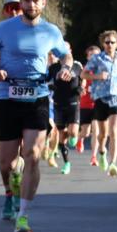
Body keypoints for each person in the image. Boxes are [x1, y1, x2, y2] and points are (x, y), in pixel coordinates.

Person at [0, 0, 73, 232]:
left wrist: (66, 67)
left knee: (32, 154)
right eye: (27, 1)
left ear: (44, 3)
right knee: (7, 162)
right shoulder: (5, 28)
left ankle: (23, 216)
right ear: (22, 3)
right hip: (6, 97)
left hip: (37, 97)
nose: (31, 5)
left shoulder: (50, 31)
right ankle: (9, 191)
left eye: (36, 1)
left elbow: (65, 54)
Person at [0, 0, 25, 220]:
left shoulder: (35, 35)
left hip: (30, 102)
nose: (13, 12)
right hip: (2, 100)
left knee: (26, 151)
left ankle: (20, 189)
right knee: (5, 162)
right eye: (9, 8)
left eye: (17, 8)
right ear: (4, 11)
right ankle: (9, 193)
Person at [82, 30, 117, 176]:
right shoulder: (97, 59)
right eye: (107, 42)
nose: (109, 45)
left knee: (114, 131)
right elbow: (83, 74)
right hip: (101, 98)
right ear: (103, 44)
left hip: (116, 98)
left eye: (112, 42)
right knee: (103, 134)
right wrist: (97, 76)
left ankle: (113, 163)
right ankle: (102, 152)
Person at [48, 43, 83, 175]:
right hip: (58, 103)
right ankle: (67, 163)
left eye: (66, 49)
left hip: (73, 102)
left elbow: (79, 75)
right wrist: (51, 84)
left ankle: (74, 134)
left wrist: (80, 87)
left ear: (70, 50)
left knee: (73, 133)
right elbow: (49, 80)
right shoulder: (53, 67)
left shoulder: (77, 64)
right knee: (62, 136)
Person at [79, 45, 100, 164]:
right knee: (85, 132)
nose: (94, 58)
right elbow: (84, 80)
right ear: (87, 57)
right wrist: (82, 87)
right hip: (85, 105)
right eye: (91, 55)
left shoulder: (102, 68)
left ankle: (93, 156)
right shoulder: (86, 69)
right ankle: (80, 139)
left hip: (97, 105)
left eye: (96, 55)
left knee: (96, 131)